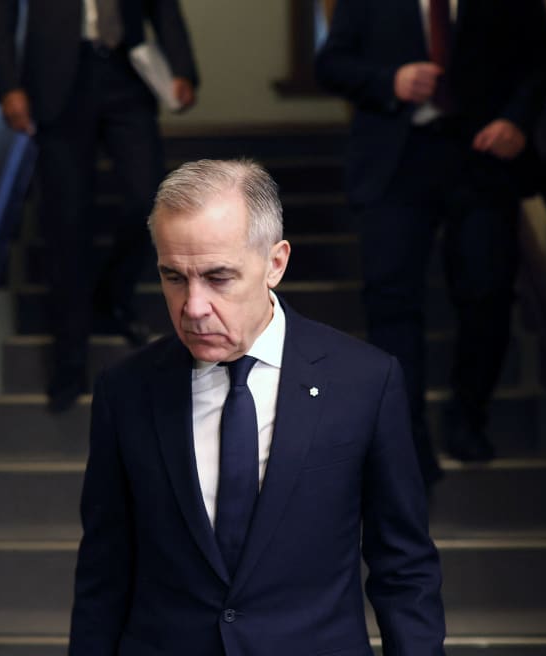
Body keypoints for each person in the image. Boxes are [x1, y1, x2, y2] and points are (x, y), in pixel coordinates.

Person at [69, 159, 445, 655]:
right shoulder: (126, 391)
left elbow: (404, 567)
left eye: (218, 277)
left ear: (276, 263)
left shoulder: (365, 382)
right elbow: (104, 571)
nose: (194, 306)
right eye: (174, 277)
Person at [315, 0, 546, 485]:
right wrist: (391, 80)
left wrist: (517, 120)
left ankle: (468, 417)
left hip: (481, 157)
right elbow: (332, 64)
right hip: (394, 161)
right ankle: (405, 438)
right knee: (391, 300)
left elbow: (538, 60)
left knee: (487, 291)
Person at [0, 0, 199, 412]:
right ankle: (70, 359)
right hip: (56, 78)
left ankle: (112, 294)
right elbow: (1, 15)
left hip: (128, 71)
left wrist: (183, 67)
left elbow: (164, 8)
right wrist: (8, 84)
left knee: (150, 201)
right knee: (66, 224)